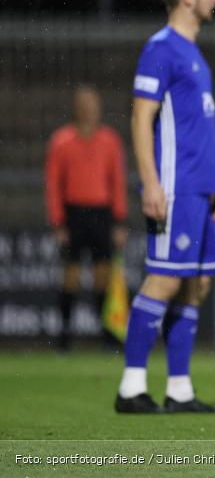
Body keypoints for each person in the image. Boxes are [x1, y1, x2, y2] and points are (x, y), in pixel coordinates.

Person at [114, 0, 215, 414]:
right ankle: (131, 387)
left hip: (201, 192)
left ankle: (178, 390)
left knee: (196, 283)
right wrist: (151, 183)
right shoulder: (161, 49)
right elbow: (141, 118)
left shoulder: (194, 53)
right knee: (162, 281)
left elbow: (196, 129)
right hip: (175, 189)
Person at [45, 85, 128, 351]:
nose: (89, 110)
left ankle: (107, 337)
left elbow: (117, 182)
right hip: (73, 214)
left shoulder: (110, 140)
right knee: (71, 276)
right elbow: (54, 184)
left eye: (93, 105)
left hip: (101, 213)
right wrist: (58, 222)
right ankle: (64, 339)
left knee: (103, 276)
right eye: (84, 105)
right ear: (76, 108)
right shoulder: (62, 141)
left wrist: (119, 221)